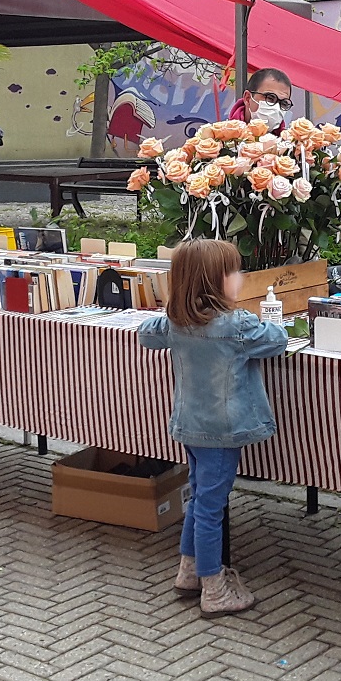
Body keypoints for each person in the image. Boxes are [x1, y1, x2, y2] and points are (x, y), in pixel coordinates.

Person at [137, 239, 288, 615]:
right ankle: (214, 588)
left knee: (199, 496)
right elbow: (279, 340)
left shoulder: (176, 322)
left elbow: (145, 333)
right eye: (234, 272)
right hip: (222, 431)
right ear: (215, 281)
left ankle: (188, 571)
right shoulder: (238, 326)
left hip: (190, 425)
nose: (240, 278)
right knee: (210, 506)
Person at [227, 67, 294, 130]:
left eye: (283, 103)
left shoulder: (289, 140)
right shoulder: (222, 138)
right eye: (270, 98)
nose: (276, 108)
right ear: (248, 98)